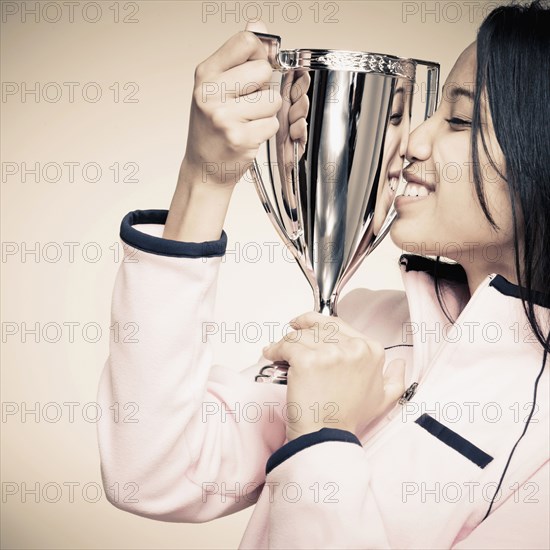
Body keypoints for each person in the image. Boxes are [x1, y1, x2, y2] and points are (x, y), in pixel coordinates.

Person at [97, 1, 549, 548]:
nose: (413, 143)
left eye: (458, 119)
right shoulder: (365, 324)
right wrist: (205, 175)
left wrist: (321, 435)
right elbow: (150, 472)